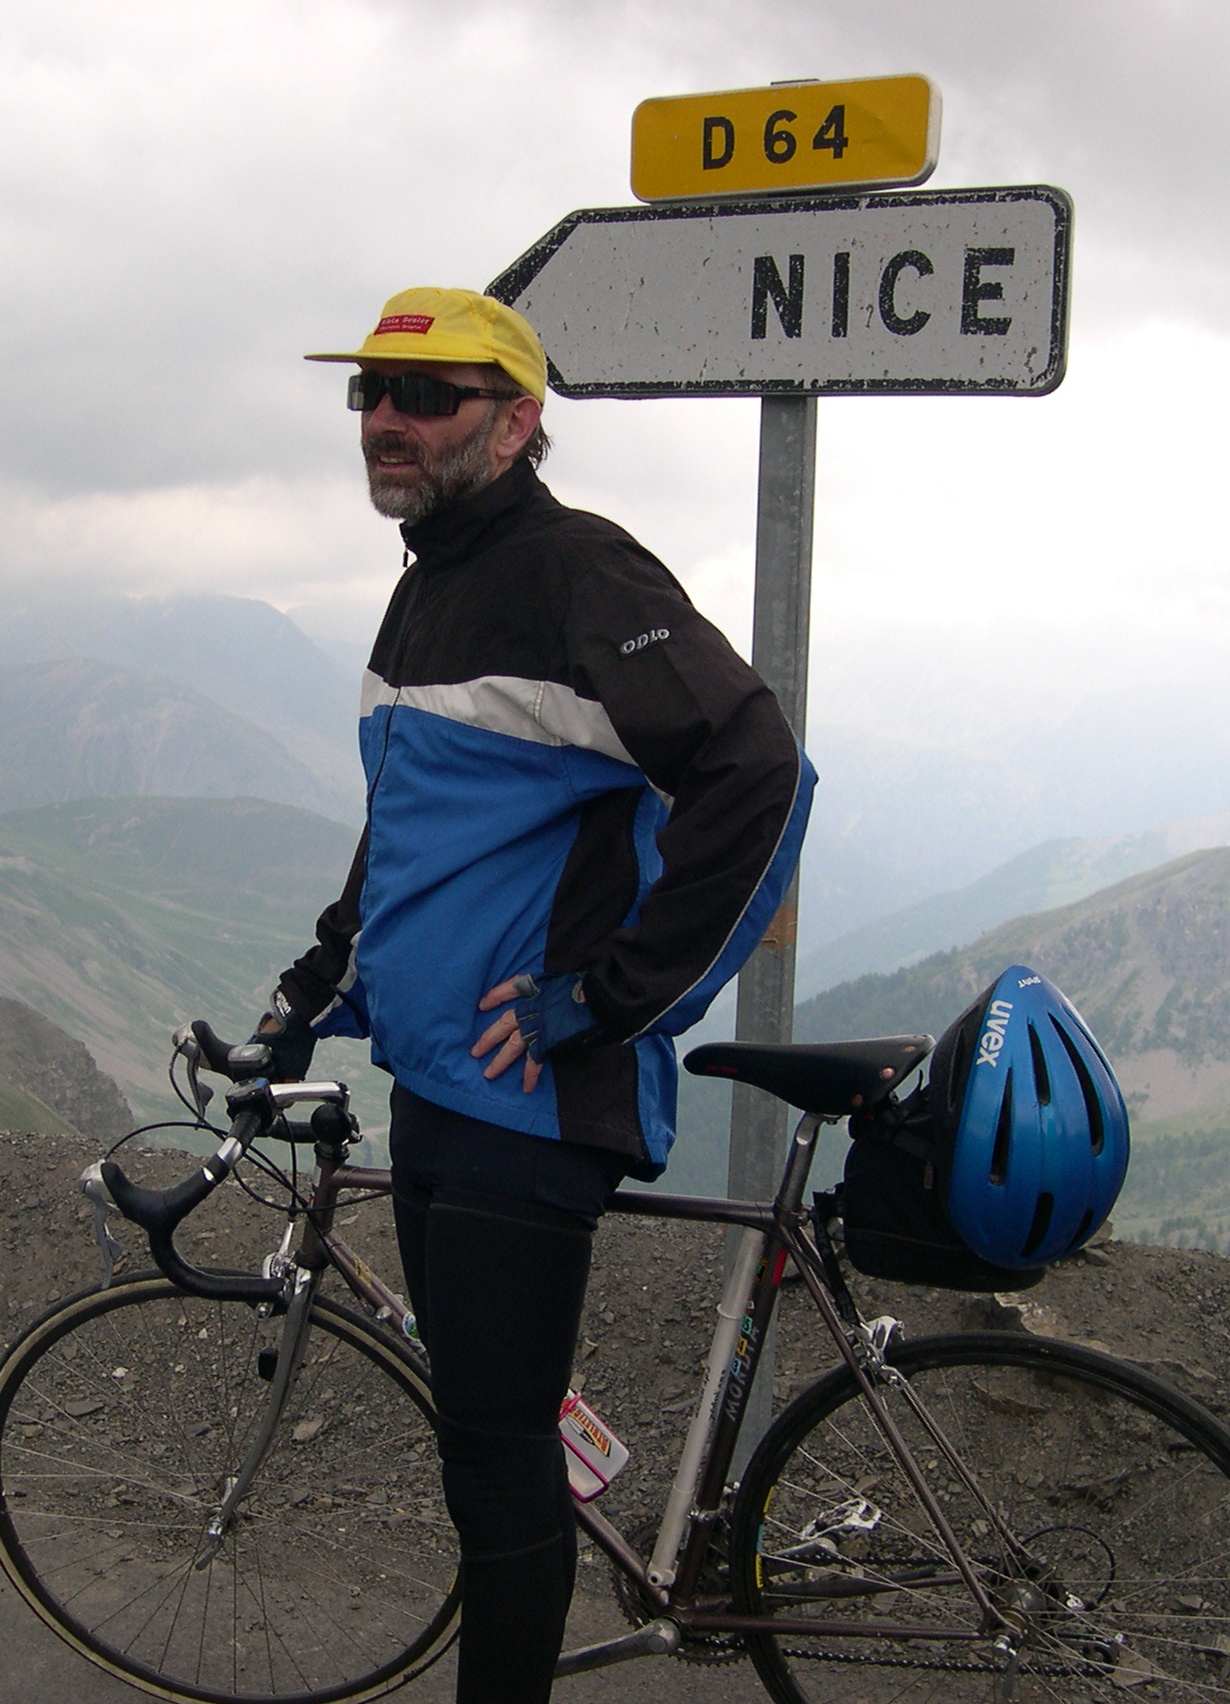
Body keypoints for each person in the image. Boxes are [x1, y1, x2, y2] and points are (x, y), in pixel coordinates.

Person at [252, 286, 813, 1702]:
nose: (389, 417)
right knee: (484, 1440)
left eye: (428, 394)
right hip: (440, 1085)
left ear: (515, 424)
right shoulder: (425, 579)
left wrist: (615, 998)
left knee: (500, 1469)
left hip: (531, 1098)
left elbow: (757, 771)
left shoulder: (581, 575)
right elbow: (413, 829)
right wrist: (312, 987)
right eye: (371, 392)